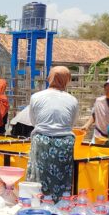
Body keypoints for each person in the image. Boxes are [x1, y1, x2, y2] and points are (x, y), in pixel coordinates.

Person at [26, 66, 79, 200]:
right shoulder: (72, 100)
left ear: (50, 78)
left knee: (39, 177)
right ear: (67, 80)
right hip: (64, 143)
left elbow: (34, 121)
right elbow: (71, 123)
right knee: (62, 177)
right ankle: (60, 204)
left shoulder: (36, 97)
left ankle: (37, 202)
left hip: (41, 141)